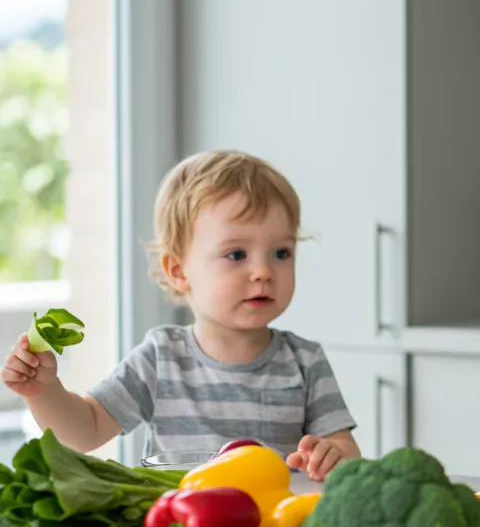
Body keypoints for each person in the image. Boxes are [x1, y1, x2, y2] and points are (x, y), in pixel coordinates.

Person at [2, 149, 360, 481]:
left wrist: (333, 456)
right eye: (237, 254)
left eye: (281, 253)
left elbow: (346, 454)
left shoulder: (305, 361)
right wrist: (44, 391)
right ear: (178, 271)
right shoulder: (160, 358)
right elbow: (85, 430)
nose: (264, 271)